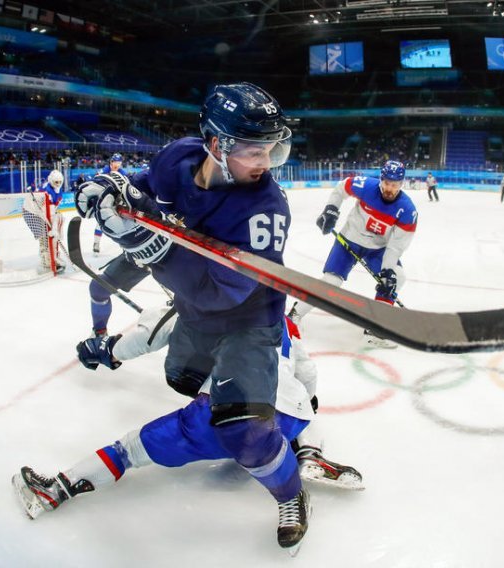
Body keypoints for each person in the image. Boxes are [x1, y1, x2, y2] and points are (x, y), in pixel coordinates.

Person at [70, 82, 309, 552]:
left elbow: (222, 294)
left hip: (249, 318)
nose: (266, 163)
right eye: (255, 151)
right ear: (216, 144)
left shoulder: (265, 208)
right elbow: (138, 192)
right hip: (195, 309)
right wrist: (111, 196)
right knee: (181, 378)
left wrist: (145, 245)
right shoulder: (177, 157)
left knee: (246, 432)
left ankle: (292, 492)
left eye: (272, 150)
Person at [72, 305, 364, 489]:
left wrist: (108, 350)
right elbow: (308, 373)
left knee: (128, 451)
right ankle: (309, 453)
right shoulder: (285, 324)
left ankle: (61, 487)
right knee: (302, 408)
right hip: (286, 420)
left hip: (219, 414)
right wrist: (308, 402)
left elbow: (151, 336)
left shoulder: (210, 302)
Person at [288, 160, 418, 349]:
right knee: (331, 281)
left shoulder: (408, 210)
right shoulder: (366, 186)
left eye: (395, 184)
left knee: (396, 277)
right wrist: (331, 209)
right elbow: (342, 188)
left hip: (378, 249)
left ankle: (375, 329)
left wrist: (387, 271)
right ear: (381, 180)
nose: (390, 188)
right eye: (387, 183)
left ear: (402, 183)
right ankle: (294, 314)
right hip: (349, 240)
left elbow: (396, 247)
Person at [22, 169, 66, 273]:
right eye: (56, 182)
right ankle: (46, 260)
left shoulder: (58, 190)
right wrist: (53, 227)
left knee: (50, 233)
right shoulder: (46, 191)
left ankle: (52, 256)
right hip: (31, 212)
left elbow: (53, 209)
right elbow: (47, 211)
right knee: (44, 236)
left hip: (41, 211)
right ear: (51, 180)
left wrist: (54, 227)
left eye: (60, 182)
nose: (58, 184)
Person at [92, 154, 129, 254]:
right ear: (111, 162)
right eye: (115, 163)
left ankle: (126, 247)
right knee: (100, 223)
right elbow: (95, 181)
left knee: (120, 225)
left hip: (117, 201)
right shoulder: (104, 171)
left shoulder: (123, 173)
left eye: (119, 163)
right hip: (104, 201)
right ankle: (96, 243)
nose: (117, 165)